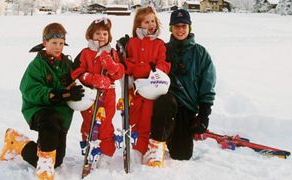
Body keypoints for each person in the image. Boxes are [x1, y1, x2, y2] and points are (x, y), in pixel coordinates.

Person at [0, 22, 85, 180]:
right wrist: (60, 94)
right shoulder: (37, 65)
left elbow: (77, 80)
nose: (58, 47)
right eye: (54, 43)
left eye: (61, 43)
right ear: (45, 43)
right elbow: (29, 89)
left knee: (57, 161)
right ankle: (44, 169)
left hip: (62, 115)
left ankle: (16, 142)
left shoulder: (67, 65)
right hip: (38, 109)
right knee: (49, 122)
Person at [146, 9, 216, 167]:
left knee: (182, 154)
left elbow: (208, 84)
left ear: (189, 27)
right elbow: (143, 58)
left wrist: (204, 115)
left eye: (184, 26)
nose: (180, 30)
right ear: (171, 28)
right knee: (166, 101)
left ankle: (175, 135)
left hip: (188, 108)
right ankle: (157, 143)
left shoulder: (201, 53)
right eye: (176, 26)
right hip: (165, 105)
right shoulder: (163, 49)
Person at [119, 6, 171, 166]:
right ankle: (136, 147)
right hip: (135, 89)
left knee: (148, 118)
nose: (151, 24)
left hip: (152, 87)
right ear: (138, 25)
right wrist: (127, 59)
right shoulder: (132, 43)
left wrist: (149, 69)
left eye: (153, 21)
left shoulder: (160, 44)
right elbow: (127, 65)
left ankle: (149, 146)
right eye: (146, 21)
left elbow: (164, 64)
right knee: (135, 119)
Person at [71, 17, 124, 167]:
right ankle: (90, 148)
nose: (101, 37)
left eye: (105, 34)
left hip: (107, 95)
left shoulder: (112, 53)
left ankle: (106, 152)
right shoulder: (85, 53)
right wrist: (91, 78)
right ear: (90, 35)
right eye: (98, 33)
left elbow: (120, 73)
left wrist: (113, 67)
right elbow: (76, 72)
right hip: (89, 95)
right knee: (89, 122)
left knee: (105, 123)